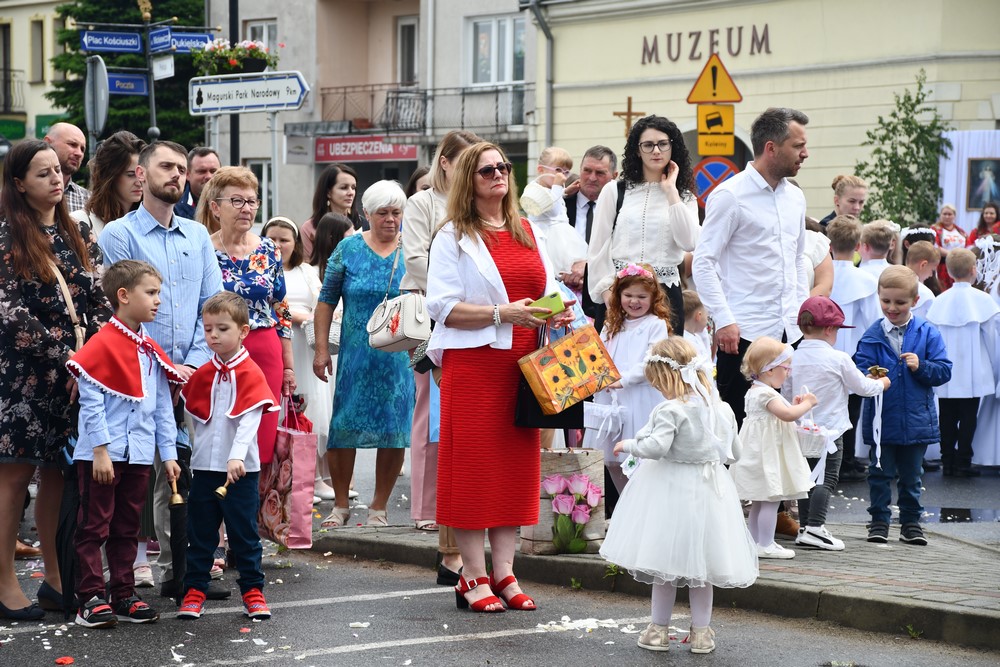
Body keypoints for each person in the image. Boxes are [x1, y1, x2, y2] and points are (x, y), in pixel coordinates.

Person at [425, 141, 573, 613]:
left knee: (513, 471)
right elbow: (442, 307)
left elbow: (546, 290)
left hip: (524, 366)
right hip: (474, 367)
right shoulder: (452, 235)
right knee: (473, 472)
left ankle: (505, 572)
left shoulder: (528, 230)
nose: (498, 174)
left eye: (503, 167)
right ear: (469, 179)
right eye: (487, 170)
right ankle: (472, 574)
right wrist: (500, 313)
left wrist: (558, 310)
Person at [99, 140, 224, 600]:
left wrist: (189, 365)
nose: (176, 174)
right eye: (166, 166)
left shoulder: (197, 236)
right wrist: (163, 371)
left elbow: (212, 305)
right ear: (140, 174)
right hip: (140, 374)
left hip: (193, 372)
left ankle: (183, 571)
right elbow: (121, 311)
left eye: (181, 168)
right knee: (140, 476)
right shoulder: (119, 234)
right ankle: (127, 572)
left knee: (187, 473)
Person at [0, 139, 112, 620]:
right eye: (43, 173)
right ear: (19, 184)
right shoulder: (6, 235)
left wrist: (91, 359)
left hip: (77, 373)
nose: (56, 179)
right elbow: (10, 311)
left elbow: (102, 297)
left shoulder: (77, 229)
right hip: (25, 375)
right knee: (14, 476)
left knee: (59, 473)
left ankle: (55, 576)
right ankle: (4, 583)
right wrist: (67, 358)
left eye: (58, 171)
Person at [599, 336, 755, 654]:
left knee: (665, 564)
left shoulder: (670, 409)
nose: (658, 390)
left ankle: (658, 631)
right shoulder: (721, 409)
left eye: (658, 383)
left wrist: (629, 445)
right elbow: (735, 453)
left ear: (667, 377)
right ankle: (702, 634)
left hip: (671, 490)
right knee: (704, 569)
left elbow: (657, 447)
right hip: (711, 492)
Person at [66, 260, 185, 627]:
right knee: (93, 526)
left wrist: (168, 454)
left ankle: (123, 594)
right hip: (103, 454)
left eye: (159, 293)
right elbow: (91, 404)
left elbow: (162, 407)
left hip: (139, 454)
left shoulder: (150, 350)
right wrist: (100, 450)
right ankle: (89, 598)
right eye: (151, 293)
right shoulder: (101, 345)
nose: (158, 300)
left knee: (127, 526)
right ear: (123, 295)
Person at [693, 108, 810, 428]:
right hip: (743, 333)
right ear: (771, 147)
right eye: (798, 146)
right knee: (740, 428)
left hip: (789, 331)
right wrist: (724, 319)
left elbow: (798, 258)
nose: (805, 153)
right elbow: (703, 262)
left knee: (786, 426)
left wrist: (801, 310)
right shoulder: (730, 195)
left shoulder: (795, 198)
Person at [311, 181, 415, 528]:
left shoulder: (412, 249)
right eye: (383, 213)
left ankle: (379, 508)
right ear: (366, 214)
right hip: (356, 356)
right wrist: (322, 350)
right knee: (343, 427)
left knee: (394, 429)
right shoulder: (348, 248)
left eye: (396, 212)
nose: (391, 219)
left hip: (399, 356)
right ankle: (341, 505)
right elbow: (326, 301)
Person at [399, 130, 478, 580]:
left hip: (475, 316)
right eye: (465, 161)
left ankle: (458, 517)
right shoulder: (422, 202)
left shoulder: (476, 203)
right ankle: (428, 510)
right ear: (444, 162)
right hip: (430, 314)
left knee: (462, 415)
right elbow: (414, 260)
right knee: (430, 409)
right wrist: (457, 297)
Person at [177, 292, 279, 620]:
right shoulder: (204, 372)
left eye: (222, 329)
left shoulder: (251, 371)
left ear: (243, 331)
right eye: (208, 329)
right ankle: (195, 590)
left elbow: (249, 420)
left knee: (243, 534)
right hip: (205, 468)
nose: (214, 336)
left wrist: (236, 456)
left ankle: (253, 591)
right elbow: (193, 416)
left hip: (241, 471)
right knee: (200, 533)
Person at [854, 266, 952, 546]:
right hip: (881, 420)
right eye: (886, 301)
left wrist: (922, 366)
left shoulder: (927, 332)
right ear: (878, 296)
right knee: (879, 474)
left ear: (915, 301)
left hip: (916, 419)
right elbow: (859, 370)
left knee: (912, 476)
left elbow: (944, 370)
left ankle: (911, 523)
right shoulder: (872, 335)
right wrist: (869, 376)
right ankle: (879, 522)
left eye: (900, 302)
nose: (892, 308)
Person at [204, 167, 295, 464]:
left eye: (252, 201)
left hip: (264, 349)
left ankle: (257, 496)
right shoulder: (203, 248)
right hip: (218, 351)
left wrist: (289, 367)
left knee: (262, 439)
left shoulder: (269, 249)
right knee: (221, 436)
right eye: (237, 201)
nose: (247, 208)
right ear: (216, 207)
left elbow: (281, 308)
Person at [790, 297, 889, 551]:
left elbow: (787, 394)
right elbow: (863, 388)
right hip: (831, 431)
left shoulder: (793, 357)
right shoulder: (839, 358)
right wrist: (881, 384)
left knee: (806, 479)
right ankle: (815, 527)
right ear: (829, 329)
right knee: (827, 479)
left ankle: (805, 527)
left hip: (801, 429)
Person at [588, 115, 699, 334]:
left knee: (662, 356)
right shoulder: (614, 190)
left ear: (672, 148)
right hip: (620, 293)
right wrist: (609, 295)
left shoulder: (684, 197)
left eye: (663, 144)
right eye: (648, 145)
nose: (656, 151)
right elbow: (597, 248)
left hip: (666, 297)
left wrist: (671, 192)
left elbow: (689, 242)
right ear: (638, 150)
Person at [261, 216, 334, 501]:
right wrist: (297, 316)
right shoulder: (260, 270)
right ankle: (282, 481)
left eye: (284, 240)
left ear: (296, 243)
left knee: (308, 410)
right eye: (272, 239)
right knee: (281, 410)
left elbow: (322, 302)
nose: (278, 245)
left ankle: (310, 478)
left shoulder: (307, 271)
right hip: (278, 342)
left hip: (306, 344)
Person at [585, 263, 671, 494]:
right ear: (618, 295)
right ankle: (625, 502)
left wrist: (622, 380)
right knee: (612, 459)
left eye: (642, 297)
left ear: (653, 298)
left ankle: (640, 502)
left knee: (636, 458)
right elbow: (599, 355)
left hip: (638, 398)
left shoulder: (655, 324)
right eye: (628, 295)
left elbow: (651, 362)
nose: (634, 301)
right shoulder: (612, 324)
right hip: (610, 398)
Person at [728, 337, 815, 559]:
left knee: (760, 501)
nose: (788, 373)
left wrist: (794, 406)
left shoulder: (756, 390)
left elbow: (781, 414)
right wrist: (807, 404)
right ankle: (765, 543)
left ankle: (755, 542)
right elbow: (787, 415)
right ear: (769, 370)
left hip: (760, 452)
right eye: (786, 368)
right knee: (770, 500)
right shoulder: (765, 393)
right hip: (768, 455)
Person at [925, 249, 999, 477]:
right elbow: (993, 340)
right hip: (975, 370)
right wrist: (994, 368)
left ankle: (947, 460)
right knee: (968, 418)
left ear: (948, 271)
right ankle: (963, 461)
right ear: (973, 270)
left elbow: (932, 339)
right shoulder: (983, 301)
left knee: (946, 417)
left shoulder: (940, 301)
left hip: (945, 370)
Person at [827, 215, 881, 481]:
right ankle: (846, 459)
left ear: (829, 245)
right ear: (858, 245)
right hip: (853, 351)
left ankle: (828, 457)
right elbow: (873, 320)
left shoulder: (821, 275)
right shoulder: (864, 280)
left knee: (825, 404)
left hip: (823, 346)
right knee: (851, 407)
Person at [522, 146, 588, 278]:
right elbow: (553, 211)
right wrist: (557, 186)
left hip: (563, 239)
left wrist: (564, 191)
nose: (562, 175)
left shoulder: (552, 188)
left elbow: (552, 198)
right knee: (553, 273)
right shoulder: (533, 189)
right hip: (548, 240)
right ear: (541, 170)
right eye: (558, 170)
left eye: (566, 172)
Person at [562, 145, 618, 295]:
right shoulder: (560, 207)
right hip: (563, 292)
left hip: (605, 293)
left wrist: (588, 268)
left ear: (614, 176)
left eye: (600, 173)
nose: (592, 178)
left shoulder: (621, 211)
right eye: (587, 170)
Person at [71, 130, 146, 237]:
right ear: (110, 175)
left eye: (142, 174)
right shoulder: (79, 222)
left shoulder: (149, 223)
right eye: (130, 175)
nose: (139, 182)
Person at [300, 163, 365, 258]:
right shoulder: (310, 228)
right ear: (328, 192)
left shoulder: (363, 223)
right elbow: (309, 263)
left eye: (353, 188)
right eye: (344, 187)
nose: (351, 192)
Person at [43, 122, 89, 212]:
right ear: (48, 143)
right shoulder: (26, 193)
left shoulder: (88, 201)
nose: (79, 153)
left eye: (82, 149)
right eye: (72, 144)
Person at [174, 147, 221, 222]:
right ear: (187, 174)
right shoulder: (174, 210)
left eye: (213, 171)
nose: (209, 176)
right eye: (202, 171)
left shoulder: (233, 204)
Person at [904, 240, 941, 319]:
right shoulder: (925, 294)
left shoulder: (891, 282)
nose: (931, 275)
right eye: (932, 270)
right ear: (923, 265)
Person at [933, 204, 966, 291]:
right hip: (943, 266)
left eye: (949, 214)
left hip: (960, 265)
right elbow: (935, 246)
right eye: (944, 214)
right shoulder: (935, 229)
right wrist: (952, 254)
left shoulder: (960, 231)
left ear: (954, 216)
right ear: (940, 215)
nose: (947, 217)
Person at [682, 289, 714, 378]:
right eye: (706, 315)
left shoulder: (697, 336)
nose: (707, 319)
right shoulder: (687, 342)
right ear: (698, 316)